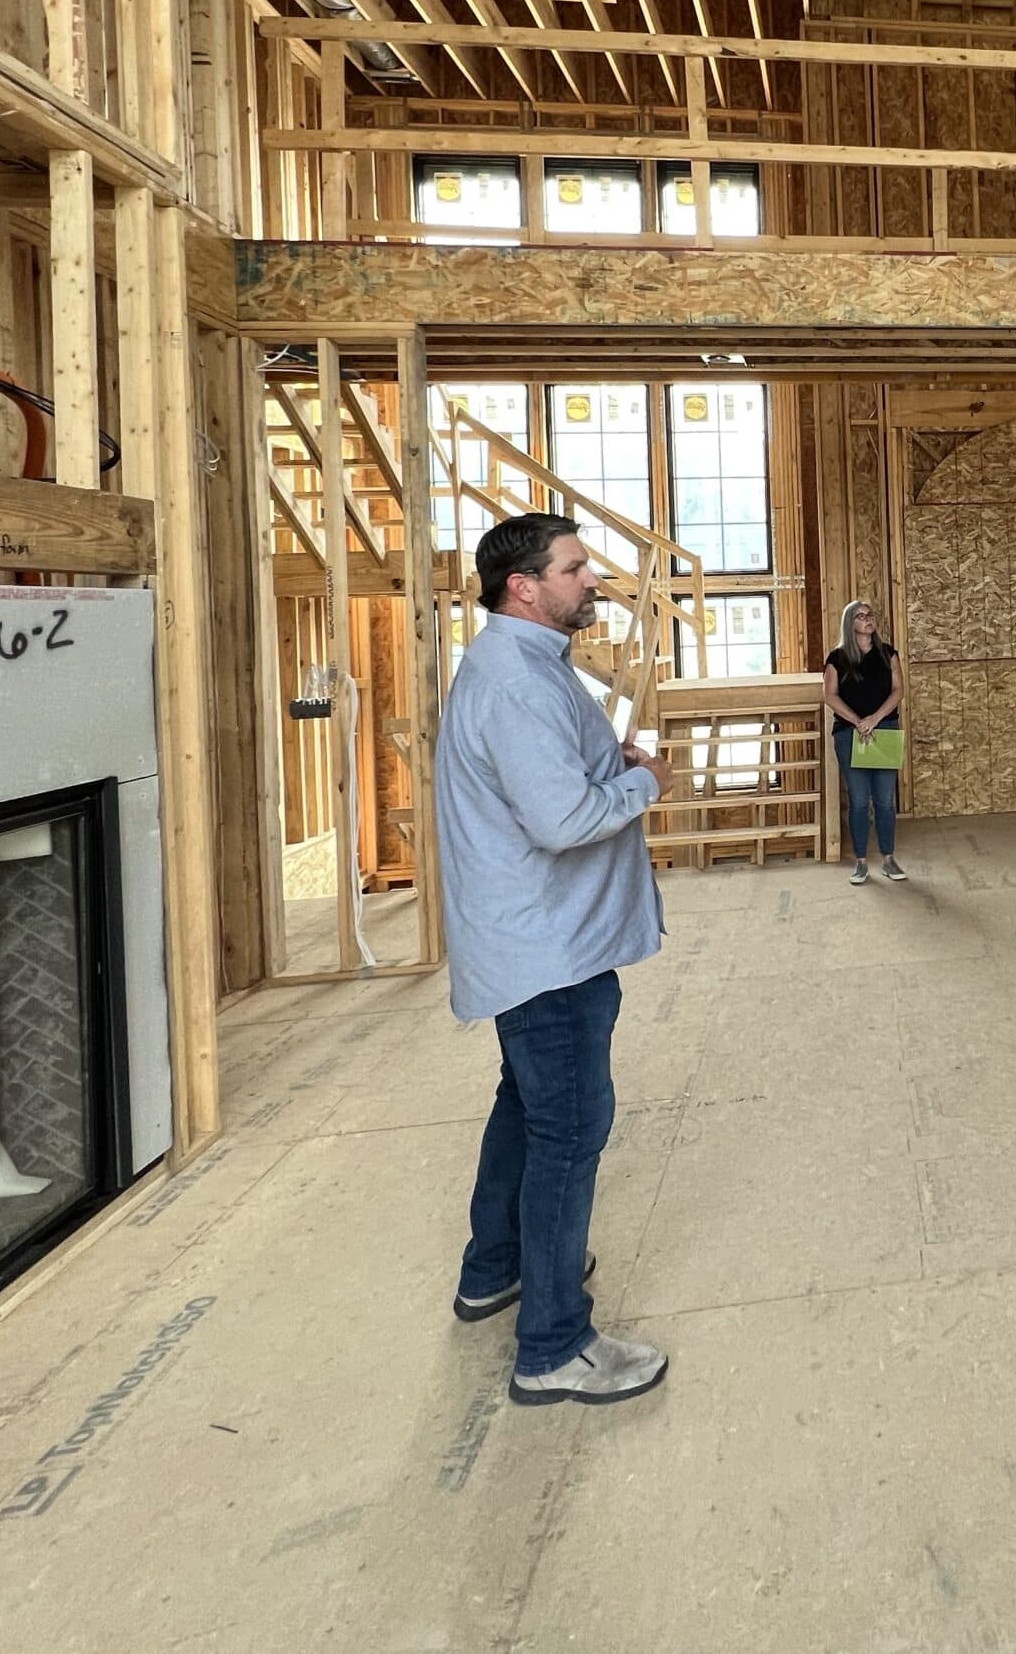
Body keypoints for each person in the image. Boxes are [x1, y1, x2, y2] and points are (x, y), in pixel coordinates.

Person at [436, 511, 674, 1407]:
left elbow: (549, 781)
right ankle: (552, 1345)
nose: (593, 580)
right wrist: (645, 780)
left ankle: (494, 1269)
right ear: (524, 588)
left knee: (527, 1107)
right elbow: (564, 821)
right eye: (575, 569)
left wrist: (602, 761)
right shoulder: (517, 683)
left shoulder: (526, 666)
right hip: (549, 949)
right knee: (568, 1129)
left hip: (541, 941)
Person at [823, 599, 907, 885]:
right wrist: (859, 721)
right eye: (860, 616)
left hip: (884, 730)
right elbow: (830, 696)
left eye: (870, 615)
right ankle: (860, 862)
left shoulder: (888, 654)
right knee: (859, 800)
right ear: (851, 624)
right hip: (850, 734)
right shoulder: (837, 658)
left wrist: (874, 718)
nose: (867, 620)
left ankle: (888, 858)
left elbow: (898, 690)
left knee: (884, 800)